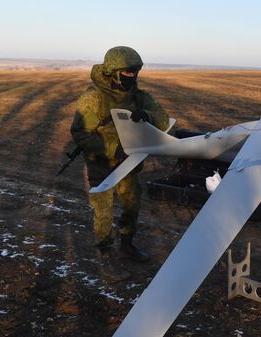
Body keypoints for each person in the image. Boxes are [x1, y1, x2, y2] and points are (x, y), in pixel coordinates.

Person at [70, 46, 170, 280]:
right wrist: (112, 150)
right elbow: (81, 132)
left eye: (135, 72)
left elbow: (164, 120)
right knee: (103, 211)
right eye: (127, 72)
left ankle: (127, 245)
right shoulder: (93, 98)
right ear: (113, 71)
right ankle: (106, 255)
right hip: (101, 164)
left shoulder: (137, 96)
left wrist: (148, 117)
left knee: (131, 205)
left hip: (129, 162)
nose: (132, 77)